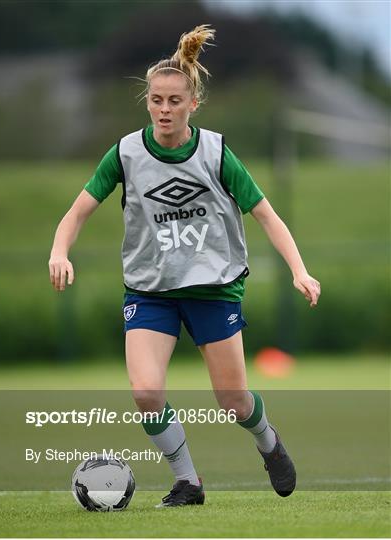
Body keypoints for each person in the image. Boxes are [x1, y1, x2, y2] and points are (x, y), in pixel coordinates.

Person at [49, 25, 320, 508]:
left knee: (233, 402)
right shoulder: (127, 153)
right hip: (151, 291)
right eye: (156, 100)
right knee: (146, 391)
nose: (164, 109)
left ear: (193, 103)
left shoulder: (215, 153)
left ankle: (267, 440)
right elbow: (77, 211)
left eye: (175, 101)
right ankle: (189, 483)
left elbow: (266, 215)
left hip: (213, 290)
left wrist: (299, 270)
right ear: (147, 102)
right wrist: (59, 251)